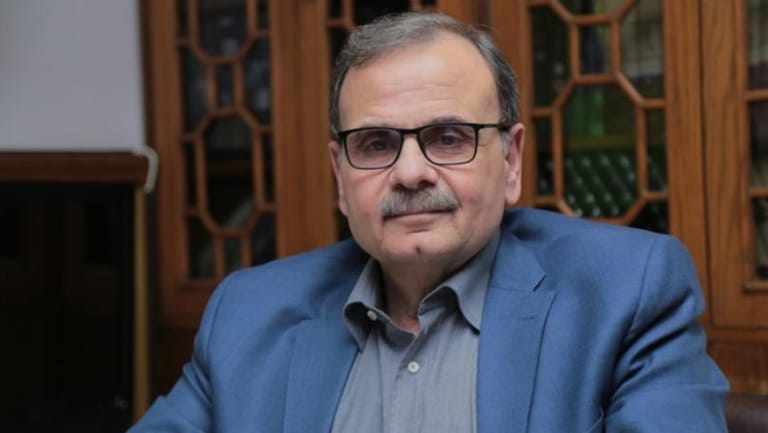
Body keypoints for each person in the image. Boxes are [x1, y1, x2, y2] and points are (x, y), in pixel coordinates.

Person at [130, 12, 728, 433]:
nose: (411, 173)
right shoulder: (247, 315)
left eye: (448, 138)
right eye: (375, 144)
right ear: (340, 174)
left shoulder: (627, 292)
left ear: (511, 161)